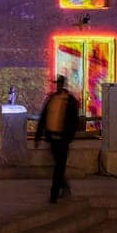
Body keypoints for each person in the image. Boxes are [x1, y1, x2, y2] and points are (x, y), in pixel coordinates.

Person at [35, 75, 79, 205]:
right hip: (53, 139)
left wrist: (69, 137)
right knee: (58, 167)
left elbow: (73, 121)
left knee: (59, 167)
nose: (58, 85)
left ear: (63, 84)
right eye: (57, 83)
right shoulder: (52, 99)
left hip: (62, 139)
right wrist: (38, 136)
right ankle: (64, 187)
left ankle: (54, 194)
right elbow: (44, 117)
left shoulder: (70, 100)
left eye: (60, 83)